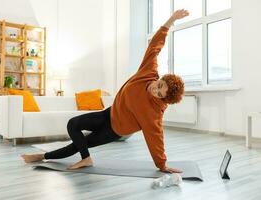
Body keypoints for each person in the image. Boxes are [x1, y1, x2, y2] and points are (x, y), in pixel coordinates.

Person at [21, 9, 189, 173]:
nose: (155, 90)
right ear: (161, 78)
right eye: (159, 86)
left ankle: (43, 156)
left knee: (79, 144)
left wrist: (162, 165)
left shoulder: (153, 112)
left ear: (163, 99)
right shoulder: (148, 72)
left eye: (159, 94)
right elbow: (155, 46)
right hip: (108, 114)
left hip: (114, 130)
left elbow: (155, 138)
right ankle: (84, 158)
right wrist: (170, 20)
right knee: (73, 124)